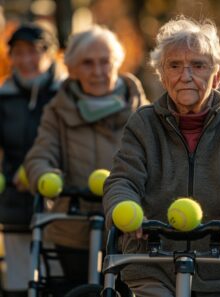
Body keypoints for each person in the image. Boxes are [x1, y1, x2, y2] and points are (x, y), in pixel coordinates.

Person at [103, 16, 220, 297]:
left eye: (198, 65)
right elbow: (122, 179)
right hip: (153, 264)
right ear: (162, 74)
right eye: (175, 66)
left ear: (217, 75)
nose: (185, 76)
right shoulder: (143, 122)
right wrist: (124, 205)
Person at [24, 25, 148, 293]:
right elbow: (40, 154)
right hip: (74, 226)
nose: (98, 71)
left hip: (129, 229)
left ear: (117, 63)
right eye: (87, 63)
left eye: (105, 62)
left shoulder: (142, 111)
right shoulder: (57, 109)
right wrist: (45, 175)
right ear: (72, 68)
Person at [0, 23, 64, 297]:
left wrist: (38, 170)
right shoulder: (4, 96)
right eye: (19, 52)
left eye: (34, 52)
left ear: (49, 54)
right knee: (18, 284)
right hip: (13, 198)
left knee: (57, 283)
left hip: (58, 199)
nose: (26, 60)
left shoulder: (66, 93)